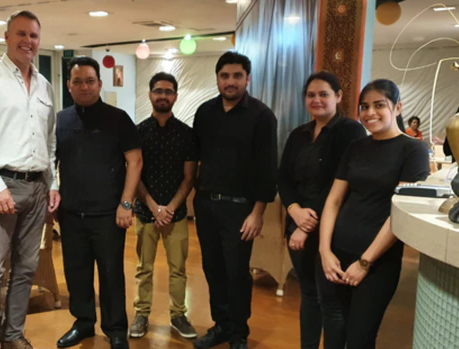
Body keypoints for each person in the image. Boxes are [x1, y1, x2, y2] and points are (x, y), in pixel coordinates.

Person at [0, 10, 59, 349]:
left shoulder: (45, 85)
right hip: (0, 187)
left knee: (26, 268)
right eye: (20, 34)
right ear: (6, 37)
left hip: (37, 187)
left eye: (33, 35)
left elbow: (50, 141)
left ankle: (14, 335)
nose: (27, 41)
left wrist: (53, 183)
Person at [317, 79, 430, 348]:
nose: (370, 113)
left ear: (398, 107)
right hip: (336, 254)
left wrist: (365, 262)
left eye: (379, 105)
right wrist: (324, 251)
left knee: (360, 337)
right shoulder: (356, 146)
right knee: (333, 331)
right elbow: (333, 200)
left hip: (377, 262)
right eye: (364, 106)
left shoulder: (413, 149)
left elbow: (398, 212)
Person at [55, 56, 142, 349]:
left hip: (108, 214)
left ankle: (116, 329)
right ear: (69, 86)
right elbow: (49, 162)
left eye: (89, 81)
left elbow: (135, 160)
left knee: (111, 274)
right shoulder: (61, 120)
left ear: (100, 84)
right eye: (77, 81)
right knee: (76, 273)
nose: (84, 86)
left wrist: (126, 203)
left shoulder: (118, 119)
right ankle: (83, 323)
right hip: (70, 214)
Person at [192, 51, 278, 349]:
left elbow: (267, 169)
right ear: (217, 78)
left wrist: (257, 213)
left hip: (241, 209)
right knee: (212, 268)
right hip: (205, 205)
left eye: (237, 76)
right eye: (225, 76)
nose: (230, 82)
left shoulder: (262, 116)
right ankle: (221, 325)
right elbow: (195, 159)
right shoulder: (204, 112)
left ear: (247, 78)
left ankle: (239, 332)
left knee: (236, 271)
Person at [277, 71, 366, 349]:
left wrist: (306, 224)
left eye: (324, 94)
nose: (316, 100)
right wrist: (293, 211)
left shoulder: (350, 131)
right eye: (311, 95)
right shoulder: (299, 134)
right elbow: (283, 177)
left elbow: (338, 185)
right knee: (308, 295)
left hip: (333, 230)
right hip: (297, 224)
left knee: (331, 301)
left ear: (338, 97)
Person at [129, 72, 197, 339]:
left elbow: (189, 177)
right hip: (145, 213)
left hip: (176, 214)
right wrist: (154, 206)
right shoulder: (137, 133)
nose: (163, 96)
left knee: (178, 270)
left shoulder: (187, 134)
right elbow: (134, 174)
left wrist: (168, 208)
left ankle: (178, 314)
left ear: (175, 97)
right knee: (143, 268)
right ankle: (141, 315)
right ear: (150, 95)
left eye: (168, 91)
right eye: (158, 91)